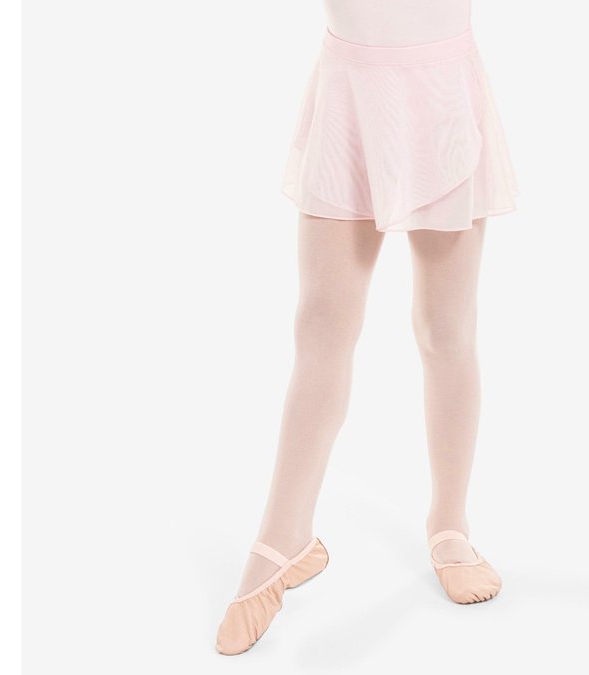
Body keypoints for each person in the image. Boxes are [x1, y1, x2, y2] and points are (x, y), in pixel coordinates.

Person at [215, 0, 518, 655]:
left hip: (440, 97)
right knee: (321, 326)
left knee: (445, 329)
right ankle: (284, 534)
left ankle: (449, 523)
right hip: (349, 98)